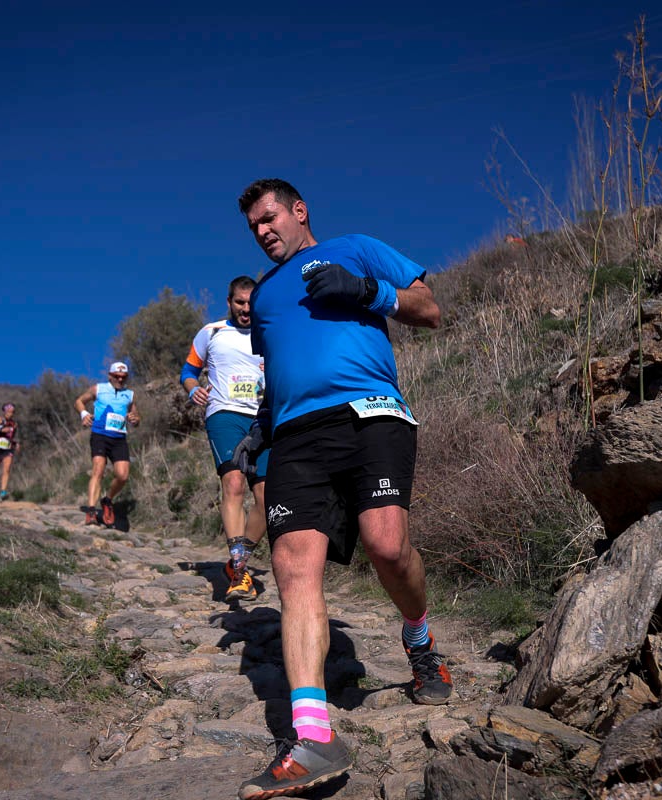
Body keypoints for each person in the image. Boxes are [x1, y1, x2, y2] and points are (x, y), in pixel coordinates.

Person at [232, 178, 451, 800]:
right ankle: (313, 735)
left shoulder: (355, 247)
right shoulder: (267, 296)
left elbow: (430, 310)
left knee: (388, 548)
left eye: (270, 218)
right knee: (293, 567)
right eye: (254, 227)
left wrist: (367, 291)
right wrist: (261, 425)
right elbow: (282, 368)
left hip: (371, 413)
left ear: (299, 211)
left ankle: (419, 636)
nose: (264, 231)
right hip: (296, 436)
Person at [180, 275, 268, 603]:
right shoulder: (211, 332)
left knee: (267, 498)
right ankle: (242, 570)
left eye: (251, 303)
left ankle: (236, 562)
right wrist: (193, 390)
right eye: (240, 303)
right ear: (229, 302)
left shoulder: (269, 331)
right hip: (224, 414)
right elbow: (188, 371)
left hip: (262, 418)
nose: (246, 309)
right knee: (233, 484)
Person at [75, 362, 140, 527]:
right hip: (100, 435)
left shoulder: (130, 395)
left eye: (123, 377)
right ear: (110, 376)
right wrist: (84, 414)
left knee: (123, 475)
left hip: (119, 438)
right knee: (98, 470)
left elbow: (136, 416)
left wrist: (135, 419)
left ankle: (107, 499)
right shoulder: (99, 389)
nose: (120, 379)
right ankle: (91, 512)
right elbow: (79, 401)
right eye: (116, 376)